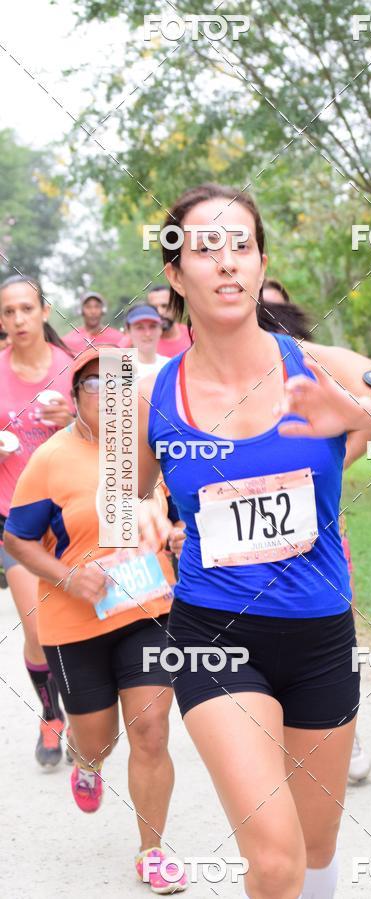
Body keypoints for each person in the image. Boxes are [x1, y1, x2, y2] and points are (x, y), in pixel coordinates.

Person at [136, 182, 371, 899]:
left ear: (260, 265)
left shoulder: (321, 365)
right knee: (276, 860)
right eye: (205, 247)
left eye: (242, 246)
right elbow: (122, 491)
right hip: (214, 634)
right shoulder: (154, 392)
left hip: (319, 637)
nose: (227, 263)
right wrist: (141, 515)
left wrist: (357, 410)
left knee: (316, 855)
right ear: (174, 274)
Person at [4, 345, 188, 894]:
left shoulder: (148, 451)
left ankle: (151, 852)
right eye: (94, 386)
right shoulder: (51, 459)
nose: (108, 397)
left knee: (152, 731)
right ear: (76, 395)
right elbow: (17, 539)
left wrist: (176, 535)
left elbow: (175, 512)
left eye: (119, 386)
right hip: (75, 621)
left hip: (147, 609)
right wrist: (68, 577)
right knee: (98, 737)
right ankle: (87, 761)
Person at [257, 280, 371, 784]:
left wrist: (320, 474)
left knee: (331, 615)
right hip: (242, 546)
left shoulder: (317, 372)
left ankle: (342, 724)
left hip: (319, 526)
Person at [0, 274, 74, 767]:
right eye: (8, 312)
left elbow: (115, 436)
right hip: (16, 519)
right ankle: (51, 715)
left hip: (73, 517)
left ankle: (90, 714)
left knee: (81, 625)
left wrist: (75, 418)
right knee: (37, 626)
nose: (18, 319)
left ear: (44, 312)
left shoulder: (74, 369)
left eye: (27, 309)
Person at [125, 304, 170, 378]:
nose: (147, 333)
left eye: (153, 326)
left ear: (161, 329)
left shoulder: (170, 366)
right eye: (139, 327)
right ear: (128, 331)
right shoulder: (117, 368)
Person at [147, 284, 192, 357]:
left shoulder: (193, 335)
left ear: (176, 307)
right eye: (154, 307)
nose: (160, 312)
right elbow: (124, 366)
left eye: (165, 306)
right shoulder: (139, 340)